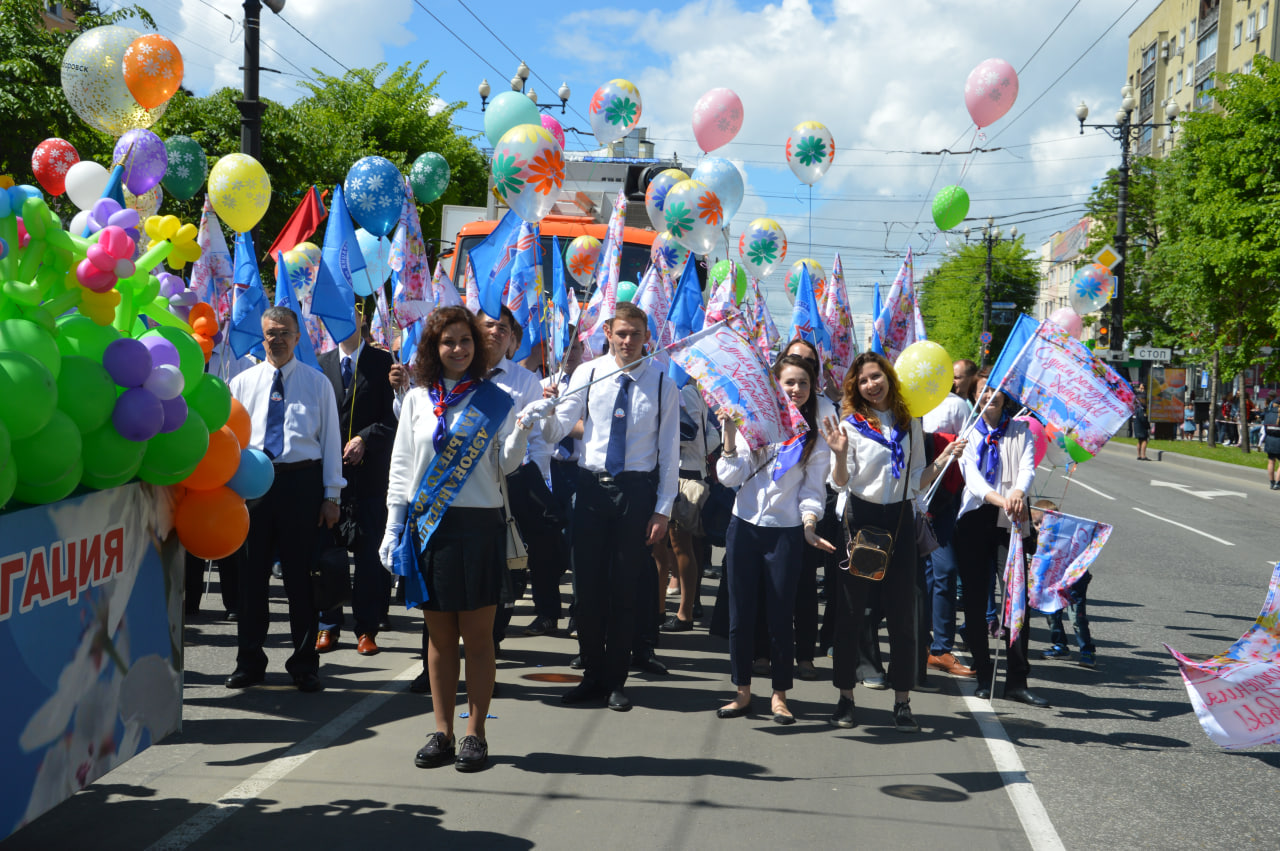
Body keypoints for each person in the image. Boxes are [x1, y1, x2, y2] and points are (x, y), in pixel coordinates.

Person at [378, 306, 536, 773]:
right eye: (449, 342)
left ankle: (476, 733)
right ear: (434, 347)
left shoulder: (495, 397)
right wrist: (392, 527)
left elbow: (505, 465)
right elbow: (403, 467)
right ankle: (442, 731)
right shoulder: (417, 399)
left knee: (479, 638)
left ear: (479, 346)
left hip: (480, 525)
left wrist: (524, 428)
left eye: (467, 341)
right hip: (430, 526)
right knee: (440, 637)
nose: (459, 349)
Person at [540, 303, 680, 712]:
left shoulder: (661, 384)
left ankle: (617, 679)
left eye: (635, 334)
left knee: (624, 589)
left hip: (636, 493)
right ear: (607, 331)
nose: (627, 341)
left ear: (646, 336)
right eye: (620, 333)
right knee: (588, 588)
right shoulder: (587, 373)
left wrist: (663, 509)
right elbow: (556, 429)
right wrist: (547, 405)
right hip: (590, 489)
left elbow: (669, 452)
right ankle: (592, 675)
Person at [226, 306, 344, 693]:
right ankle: (250, 662)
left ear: (298, 336)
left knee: (301, 581)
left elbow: (330, 441)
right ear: (263, 337)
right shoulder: (241, 383)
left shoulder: (317, 382)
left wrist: (331, 495)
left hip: (302, 485)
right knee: (251, 579)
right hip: (255, 487)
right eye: (270, 333)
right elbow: (231, 440)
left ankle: (305, 664)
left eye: (284, 333)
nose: (277, 339)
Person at [715, 355, 833, 723]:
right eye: (789, 383)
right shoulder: (753, 423)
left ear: (812, 389)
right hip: (744, 527)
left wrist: (810, 525)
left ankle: (779, 695)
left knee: (782, 615)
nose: (795, 390)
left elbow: (813, 491)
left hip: (786, 533)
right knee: (742, 614)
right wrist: (731, 437)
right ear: (775, 385)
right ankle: (742, 691)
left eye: (803, 383)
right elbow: (727, 477)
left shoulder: (814, 435)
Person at [821, 352, 927, 732]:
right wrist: (839, 455)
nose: (872, 384)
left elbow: (916, 477)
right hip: (860, 522)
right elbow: (840, 483)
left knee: (902, 618)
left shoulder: (910, 422)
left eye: (877, 376)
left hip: (898, 522)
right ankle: (846, 699)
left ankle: (902, 702)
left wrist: (947, 456)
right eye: (864, 379)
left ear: (889, 378)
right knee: (851, 616)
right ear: (856, 386)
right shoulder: (849, 425)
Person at [953, 369, 1049, 707]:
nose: (990, 395)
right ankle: (983, 673)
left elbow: (1027, 466)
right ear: (974, 395)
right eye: (983, 390)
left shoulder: (1021, 430)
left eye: (996, 390)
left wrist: (1019, 492)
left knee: (1016, 602)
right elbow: (973, 480)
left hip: (1011, 521)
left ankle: (1017, 680)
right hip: (977, 519)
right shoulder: (966, 432)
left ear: (1005, 396)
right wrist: (1001, 498)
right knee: (977, 603)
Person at [316, 321, 398, 655]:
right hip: (327, 477)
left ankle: (366, 628)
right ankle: (328, 625)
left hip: (369, 477)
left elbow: (395, 419)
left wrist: (365, 437)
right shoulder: (320, 365)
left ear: (361, 320)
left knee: (368, 557)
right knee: (327, 554)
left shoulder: (384, 364)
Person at [1262, 395, 1280, 489]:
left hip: (1270, 440)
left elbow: (1265, 428)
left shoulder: (1268, 414)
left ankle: (1272, 482)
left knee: (1271, 461)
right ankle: (1278, 483)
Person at [1133, 394, 1151, 461]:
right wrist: (1148, 426)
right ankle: (1143, 456)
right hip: (1141, 427)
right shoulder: (1141, 409)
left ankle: (1139, 455)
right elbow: (1143, 419)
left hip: (1137, 426)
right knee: (1144, 440)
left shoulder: (1136, 408)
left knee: (1139, 441)